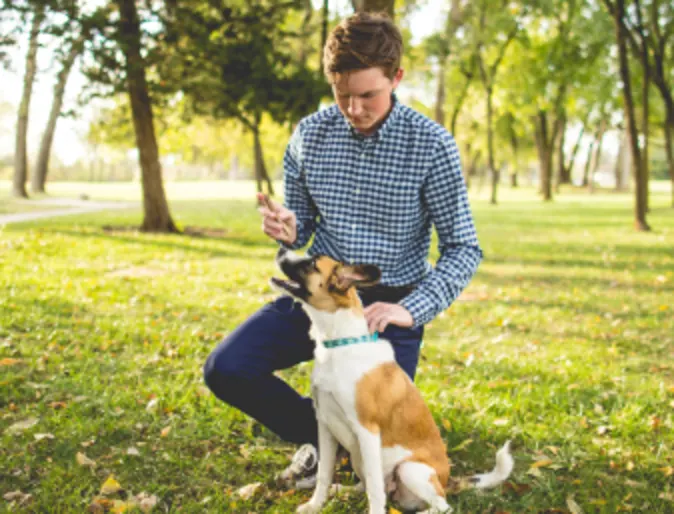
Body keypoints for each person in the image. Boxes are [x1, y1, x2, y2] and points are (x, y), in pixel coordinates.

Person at [203, 11, 482, 490]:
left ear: (396, 77)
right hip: (320, 296)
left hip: (388, 307)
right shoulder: (310, 136)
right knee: (226, 368)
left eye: (367, 95)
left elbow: (462, 248)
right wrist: (288, 229)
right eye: (342, 94)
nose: (353, 108)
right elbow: (304, 229)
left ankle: (345, 442)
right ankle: (318, 435)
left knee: (377, 461)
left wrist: (409, 309)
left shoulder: (432, 145)